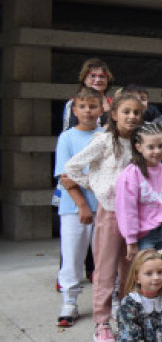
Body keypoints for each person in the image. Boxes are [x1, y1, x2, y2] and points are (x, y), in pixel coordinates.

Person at [64, 93, 144, 342]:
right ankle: (102, 322)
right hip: (109, 212)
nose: (131, 117)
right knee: (105, 269)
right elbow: (73, 167)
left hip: (135, 215)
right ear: (114, 114)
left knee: (129, 268)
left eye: (136, 113)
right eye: (126, 112)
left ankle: (126, 317)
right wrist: (97, 186)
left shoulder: (139, 143)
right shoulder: (104, 140)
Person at [54, 87, 103, 327]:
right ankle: (70, 302)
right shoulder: (67, 138)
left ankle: (105, 303)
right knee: (72, 255)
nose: (87, 111)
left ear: (101, 109)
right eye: (82, 106)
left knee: (103, 256)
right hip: (74, 208)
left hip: (103, 207)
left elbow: (107, 175)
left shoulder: (104, 136)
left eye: (92, 106)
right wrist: (82, 204)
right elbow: (66, 177)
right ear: (75, 110)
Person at [115, 123, 162, 261]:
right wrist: (131, 240)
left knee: (160, 270)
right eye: (151, 147)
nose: (157, 151)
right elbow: (127, 210)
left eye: (160, 146)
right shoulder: (131, 174)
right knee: (145, 273)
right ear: (138, 147)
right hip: (143, 235)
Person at [61, 58, 112, 131]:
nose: (98, 80)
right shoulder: (73, 103)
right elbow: (69, 131)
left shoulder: (115, 103)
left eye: (102, 76)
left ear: (108, 80)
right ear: (84, 79)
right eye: (93, 76)